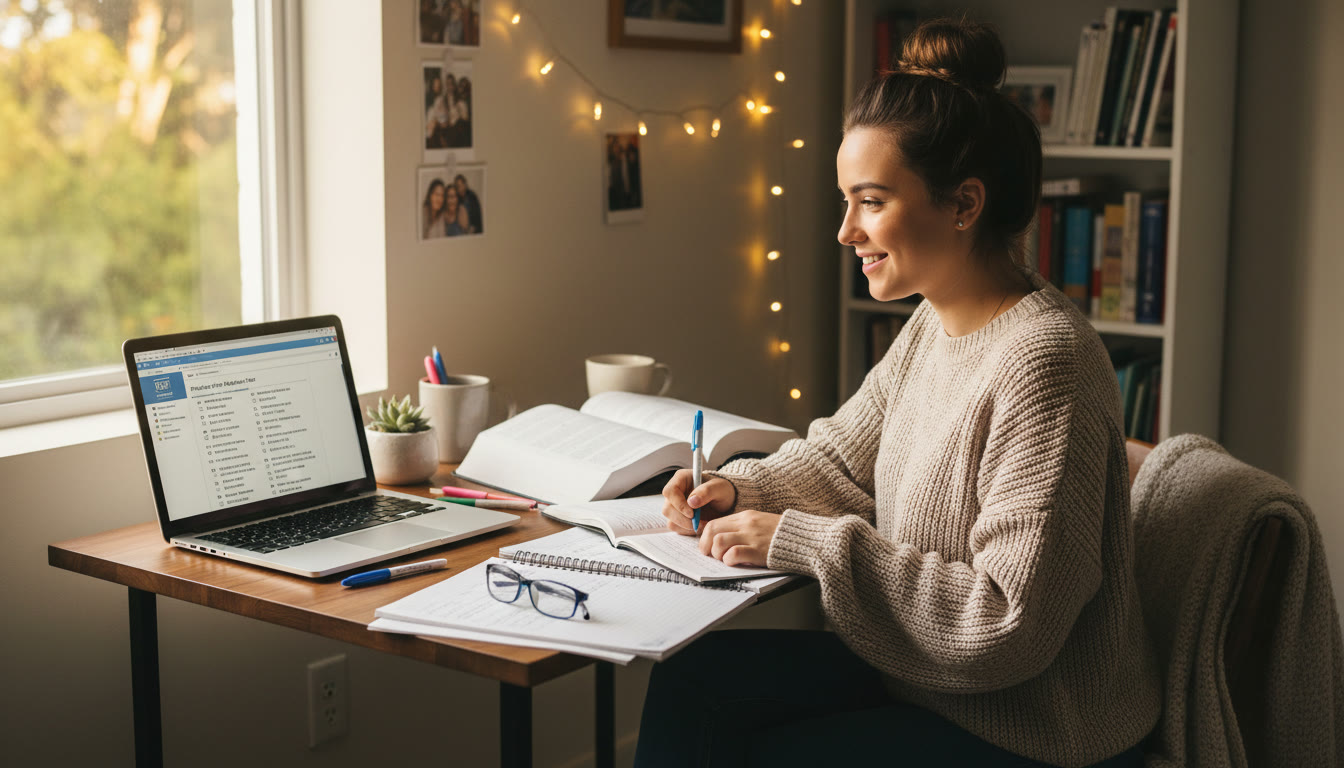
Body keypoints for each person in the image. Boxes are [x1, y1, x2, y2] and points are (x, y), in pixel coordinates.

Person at [634, 17, 1161, 768]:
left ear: (964, 205)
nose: (845, 231)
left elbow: (1008, 624)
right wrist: (738, 492)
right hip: (926, 686)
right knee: (691, 685)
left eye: (870, 201)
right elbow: (840, 465)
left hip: (1033, 728)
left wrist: (800, 540)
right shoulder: (931, 325)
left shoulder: (1046, 363)